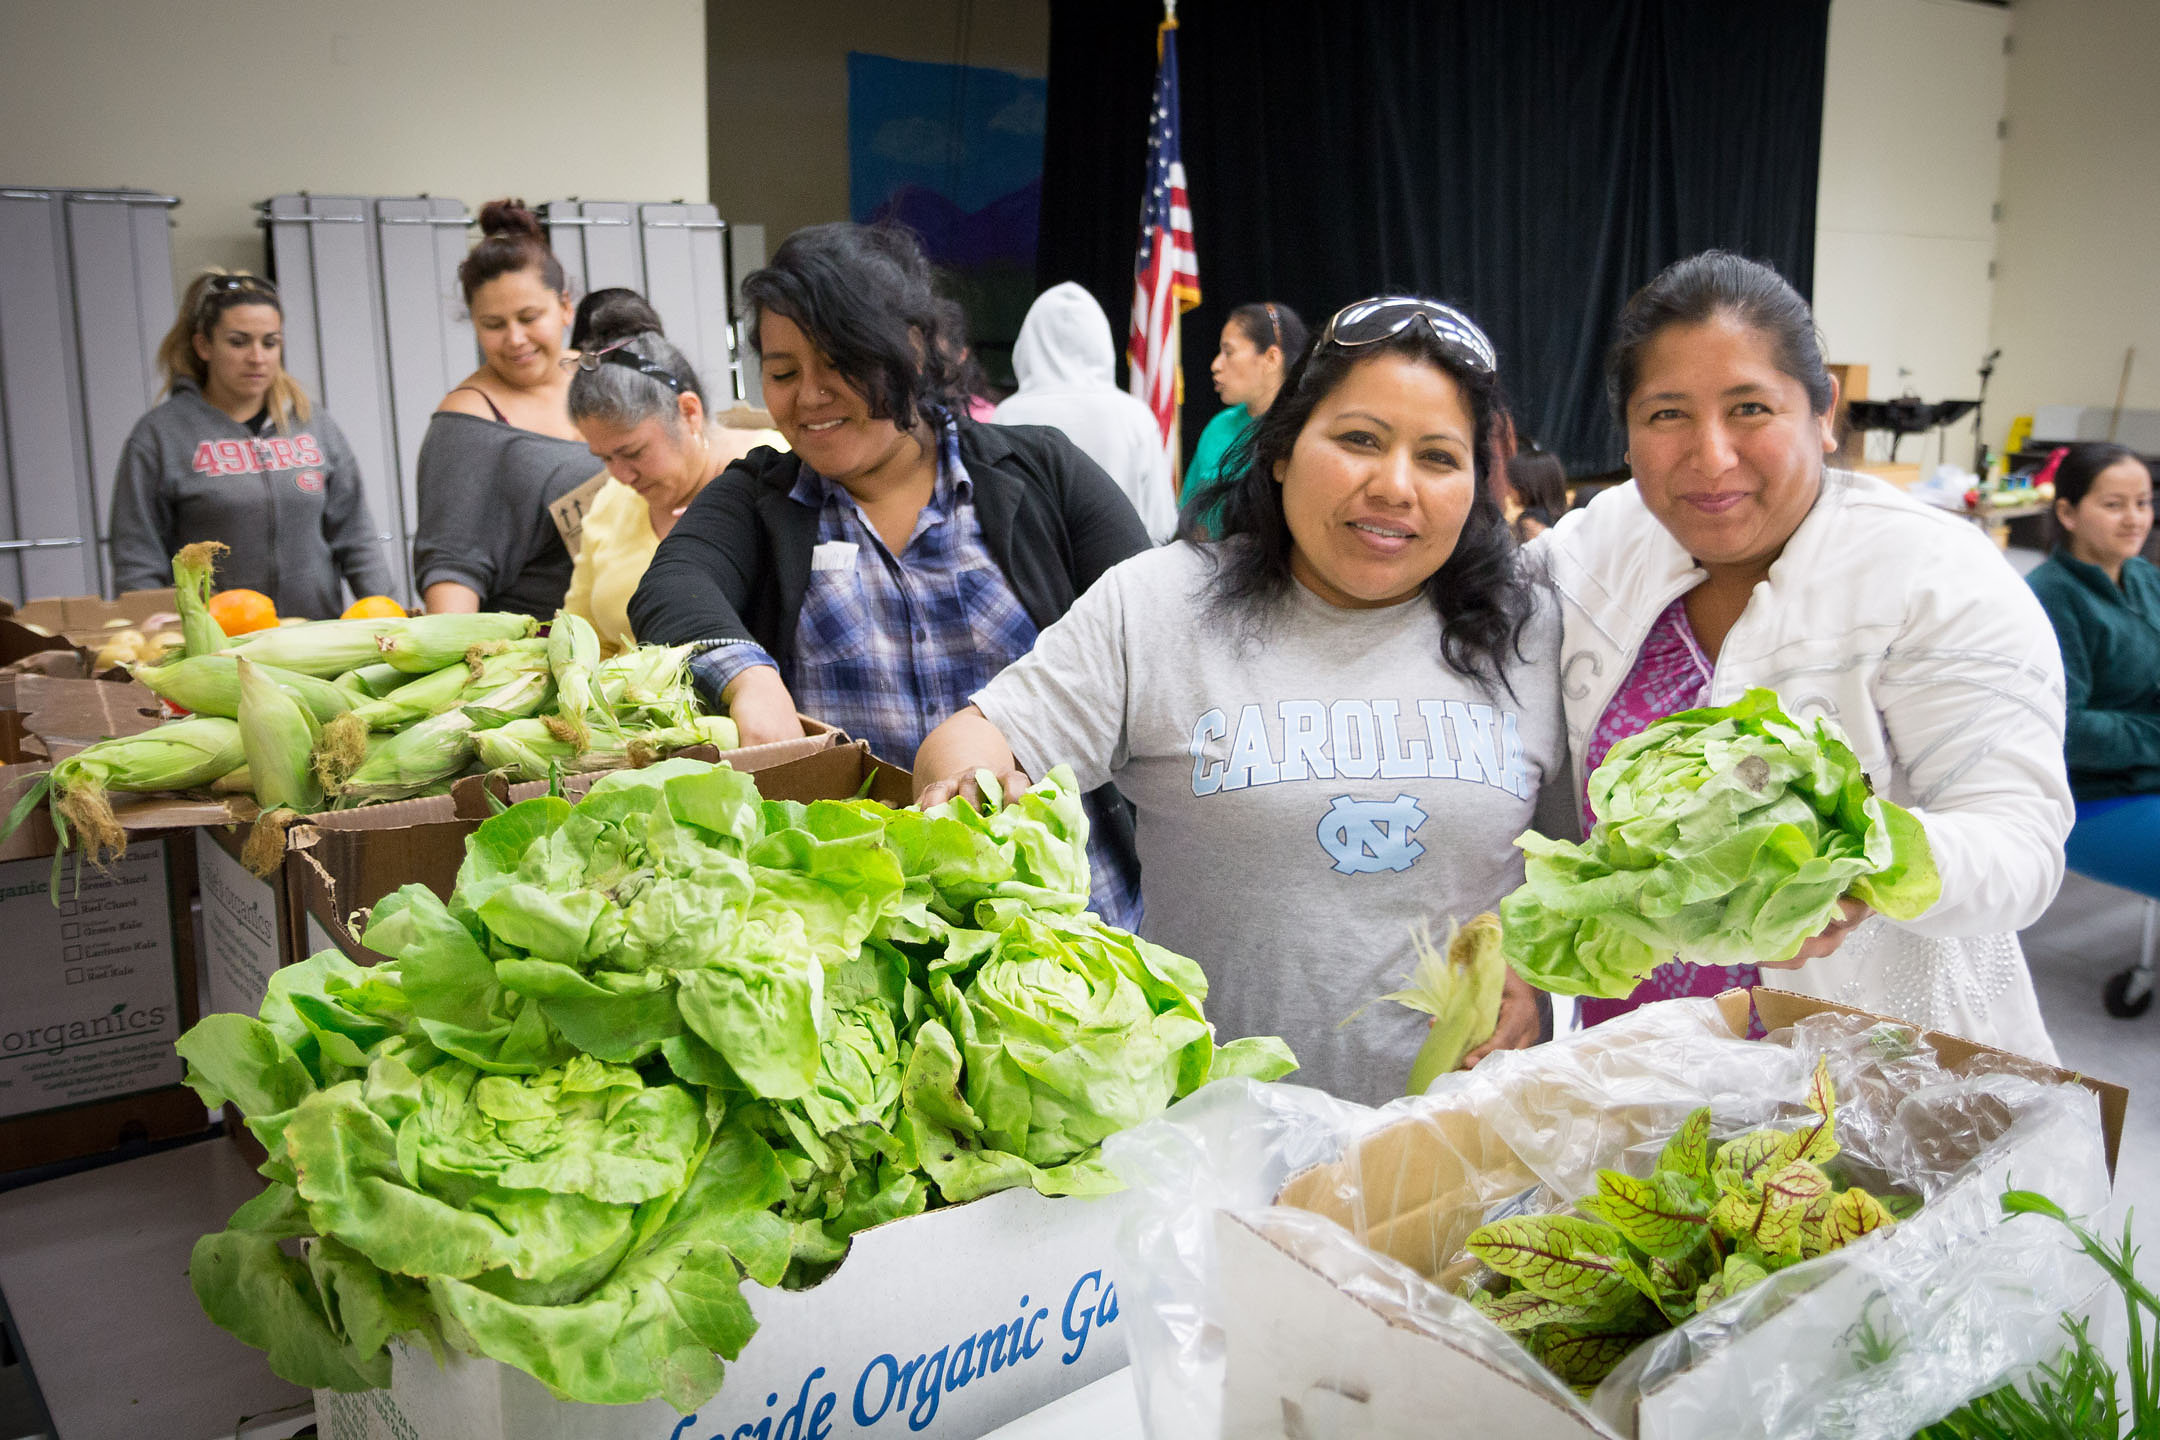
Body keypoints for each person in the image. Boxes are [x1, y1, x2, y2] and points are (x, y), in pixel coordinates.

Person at [914, 296, 1565, 1105]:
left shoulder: (1532, 630)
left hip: (1463, 1161)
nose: (1396, 486)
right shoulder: (1162, 605)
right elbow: (976, 738)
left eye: (1438, 457)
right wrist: (973, 795)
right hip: (1214, 1161)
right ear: (1285, 450)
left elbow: (1578, 881)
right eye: (1359, 439)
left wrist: (1534, 984)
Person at [1533, 251, 2070, 1057]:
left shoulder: (1932, 576)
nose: (1710, 456)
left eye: (1750, 408)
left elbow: (2020, 847)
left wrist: (1856, 863)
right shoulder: (1597, 551)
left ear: (1823, 413)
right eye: (1667, 414)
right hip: (1638, 1060)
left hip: (1866, 1075)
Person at [626, 222, 1152, 923]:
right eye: (783, 373)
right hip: (862, 915)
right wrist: (749, 679)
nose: (808, 396)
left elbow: (1146, 629)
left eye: (839, 362)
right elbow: (673, 586)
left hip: (1064, 902)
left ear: (914, 348)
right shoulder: (760, 500)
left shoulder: (1041, 473)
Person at [108, 271, 393, 617]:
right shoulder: (159, 436)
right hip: (214, 647)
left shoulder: (313, 424)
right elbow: (137, 558)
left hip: (313, 639)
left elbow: (356, 536)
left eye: (270, 342)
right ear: (204, 346)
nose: (257, 357)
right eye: (239, 342)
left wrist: (390, 616)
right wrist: (154, 631)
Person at [563, 292, 784, 655]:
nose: (622, 476)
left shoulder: (774, 469)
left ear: (689, 411)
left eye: (633, 452)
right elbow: (579, 633)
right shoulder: (611, 503)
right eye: (604, 458)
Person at [412, 200, 601, 617]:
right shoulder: (467, 420)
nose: (515, 339)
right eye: (493, 325)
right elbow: (450, 566)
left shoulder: (602, 376)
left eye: (529, 317)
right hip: (534, 651)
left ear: (566, 306)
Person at [2025, 442, 2160, 902]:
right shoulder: (2049, 598)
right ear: (2067, 512)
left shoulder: (2144, 577)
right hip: (2095, 798)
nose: (2135, 519)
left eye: (2143, 503)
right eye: (2113, 505)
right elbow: (2070, 730)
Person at [992, 282, 1178, 542]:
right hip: (1125, 575)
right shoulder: (1135, 417)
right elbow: (1161, 524)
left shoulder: (1006, 417)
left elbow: (994, 520)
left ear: (1029, 339)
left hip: (1030, 580)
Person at [1181, 301, 1306, 538]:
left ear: (1271, 358)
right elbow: (1192, 521)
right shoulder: (1219, 427)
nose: (1215, 365)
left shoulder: (1303, 431)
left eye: (1229, 352)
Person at [1503, 448, 1569, 542]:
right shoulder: (1566, 519)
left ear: (1525, 487)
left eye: (1511, 483)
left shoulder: (1529, 522)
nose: (1508, 490)